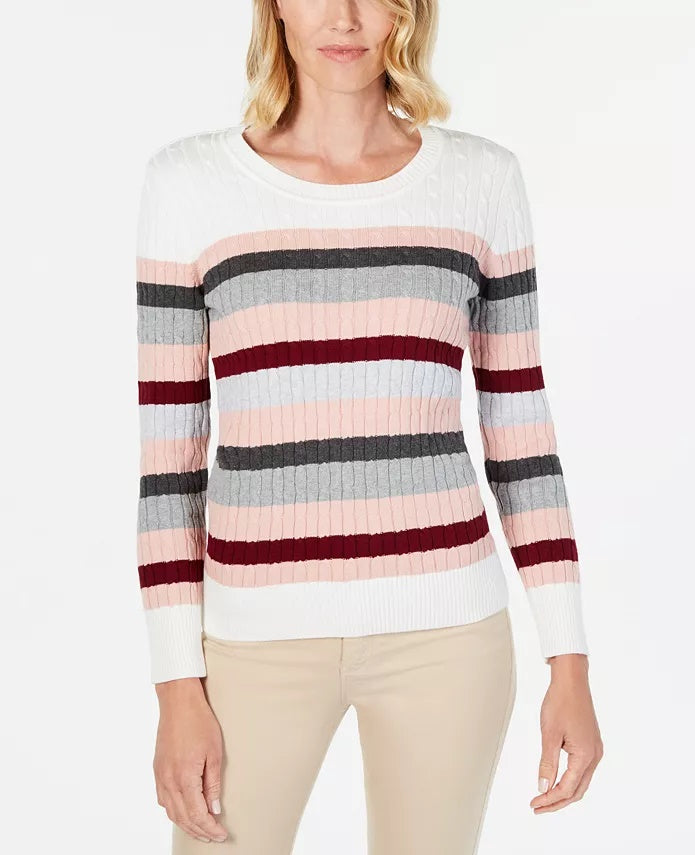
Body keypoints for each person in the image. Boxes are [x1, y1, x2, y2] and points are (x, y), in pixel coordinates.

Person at [134, 1, 603, 851]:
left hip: (446, 636)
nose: (345, 17)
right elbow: (170, 465)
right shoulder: (191, 185)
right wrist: (176, 686)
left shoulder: (481, 181)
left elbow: (520, 429)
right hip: (251, 643)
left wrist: (567, 660)